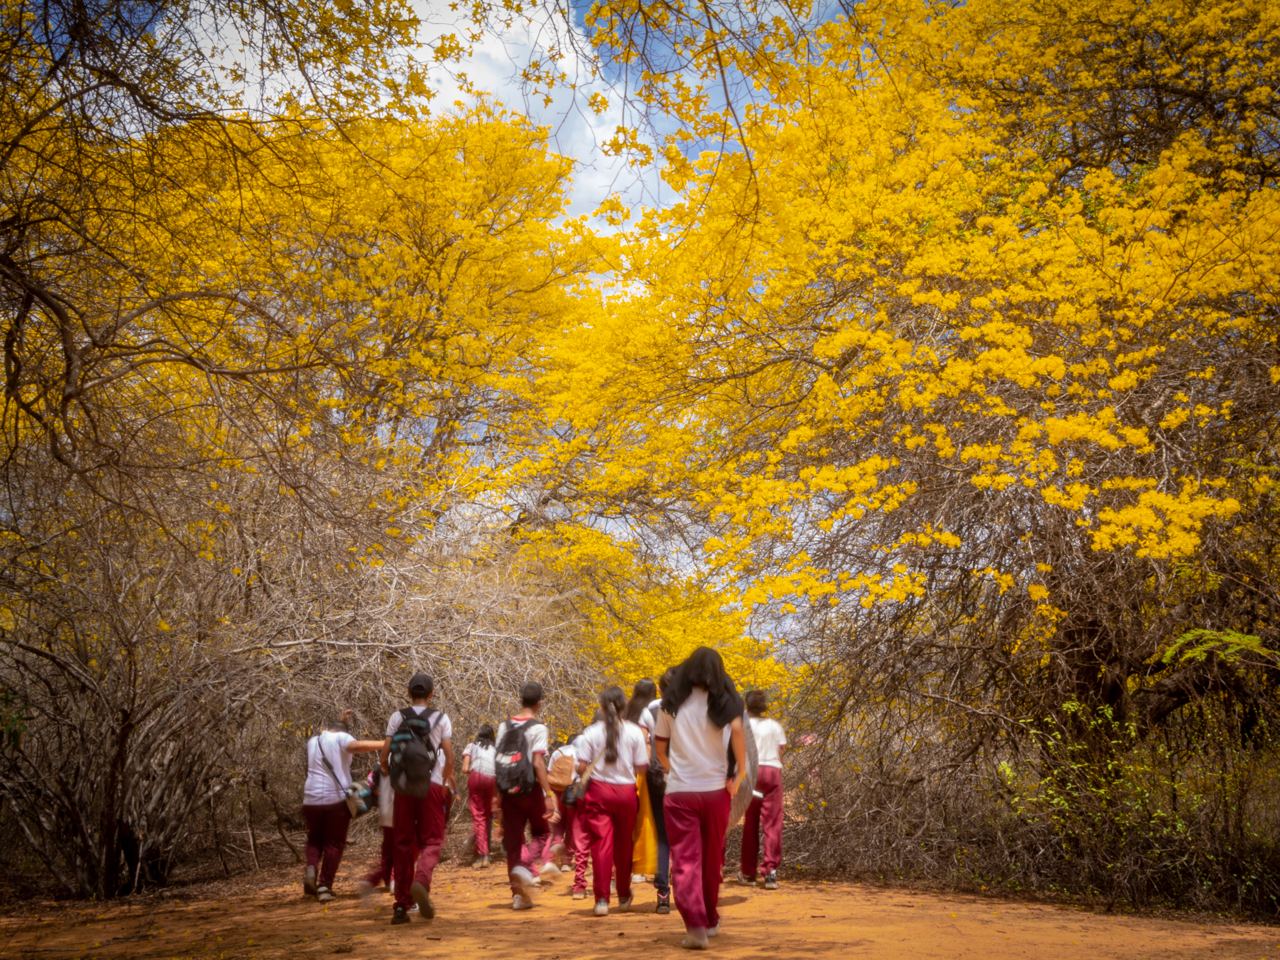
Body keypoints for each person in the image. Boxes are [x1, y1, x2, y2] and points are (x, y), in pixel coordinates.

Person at [654, 648, 746, 950]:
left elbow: (659, 750)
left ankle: (695, 926)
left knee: (685, 861)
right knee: (710, 859)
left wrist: (674, 771)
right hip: (716, 792)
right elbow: (737, 734)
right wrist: (740, 775)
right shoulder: (726, 703)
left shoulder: (671, 705)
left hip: (681, 792)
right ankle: (710, 918)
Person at [380, 672, 454, 925]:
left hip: (403, 787)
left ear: (409, 692)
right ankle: (421, 881)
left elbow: (385, 753)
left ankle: (401, 906)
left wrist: (388, 772)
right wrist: (445, 779)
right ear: (431, 694)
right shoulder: (440, 718)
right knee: (432, 839)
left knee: (402, 843)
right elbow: (449, 754)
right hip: (431, 785)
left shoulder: (397, 716)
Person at [576, 686, 648, 916]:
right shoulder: (635, 732)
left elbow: (580, 765)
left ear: (601, 706)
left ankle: (602, 900)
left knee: (601, 845)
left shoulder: (590, 732)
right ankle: (624, 895)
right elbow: (641, 766)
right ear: (623, 705)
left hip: (598, 791)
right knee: (624, 845)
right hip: (626, 792)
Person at [301, 709, 384, 903]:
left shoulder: (314, 741)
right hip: (334, 800)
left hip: (310, 799)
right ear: (343, 732)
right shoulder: (342, 738)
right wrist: (386, 743)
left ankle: (311, 867)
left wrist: (340, 721)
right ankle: (324, 887)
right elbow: (355, 746)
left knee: (314, 839)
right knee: (334, 843)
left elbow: (334, 733)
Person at [495, 681, 557, 910]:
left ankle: (518, 896)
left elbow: (500, 760)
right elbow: (538, 762)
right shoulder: (538, 728)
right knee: (541, 834)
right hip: (530, 790)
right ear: (539, 703)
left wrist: (498, 795)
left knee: (512, 843)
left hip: (509, 791)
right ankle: (526, 865)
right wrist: (548, 792)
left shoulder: (504, 726)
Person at [740, 689, 787, 889]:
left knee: (750, 822)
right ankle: (770, 872)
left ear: (747, 705)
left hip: (752, 772)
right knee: (772, 823)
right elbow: (781, 748)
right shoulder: (774, 725)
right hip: (772, 771)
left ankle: (748, 873)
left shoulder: (743, 725)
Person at [640, 668, 675, 913]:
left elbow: (643, 744)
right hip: (685, 778)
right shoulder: (690, 709)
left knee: (662, 835)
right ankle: (689, 890)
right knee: (686, 836)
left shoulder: (650, 709)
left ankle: (663, 891)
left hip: (655, 777)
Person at [547, 733, 590, 898]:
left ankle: (555, 853)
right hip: (574, 792)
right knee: (573, 828)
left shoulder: (557, 752)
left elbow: (550, 774)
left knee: (558, 826)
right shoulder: (581, 752)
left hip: (557, 792)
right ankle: (567, 861)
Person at [626, 679, 659, 886]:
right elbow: (644, 742)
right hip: (641, 770)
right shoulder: (648, 713)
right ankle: (641, 867)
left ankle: (630, 867)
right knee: (645, 819)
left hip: (621, 772)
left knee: (629, 822)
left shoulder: (625, 712)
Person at [461, 724, 498, 867]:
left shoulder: (471, 746)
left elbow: (464, 769)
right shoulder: (495, 749)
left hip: (477, 778)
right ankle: (484, 851)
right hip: (492, 780)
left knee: (478, 816)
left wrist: (475, 772)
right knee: (487, 816)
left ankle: (483, 855)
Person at [356, 768, 394, 897]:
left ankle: (383, 880)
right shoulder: (404, 760)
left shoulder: (380, 766)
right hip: (400, 809)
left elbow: (371, 781)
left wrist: (380, 793)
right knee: (401, 847)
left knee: (388, 849)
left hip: (385, 810)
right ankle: (390, 880)